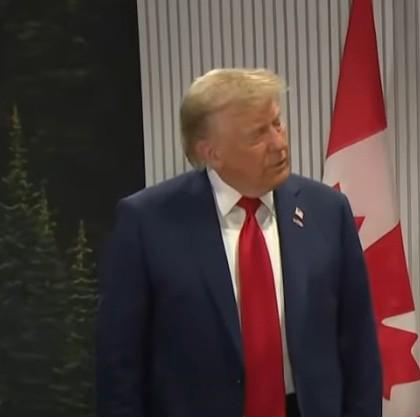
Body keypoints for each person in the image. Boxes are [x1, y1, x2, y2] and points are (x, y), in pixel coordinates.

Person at [96, 68, 381, 417]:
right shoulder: (147, 222)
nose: (279, 143)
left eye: (277, 123)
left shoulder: (327, 210)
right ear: (211, 152)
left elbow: (358, 343)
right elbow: (120, 364)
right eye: (258, 134)